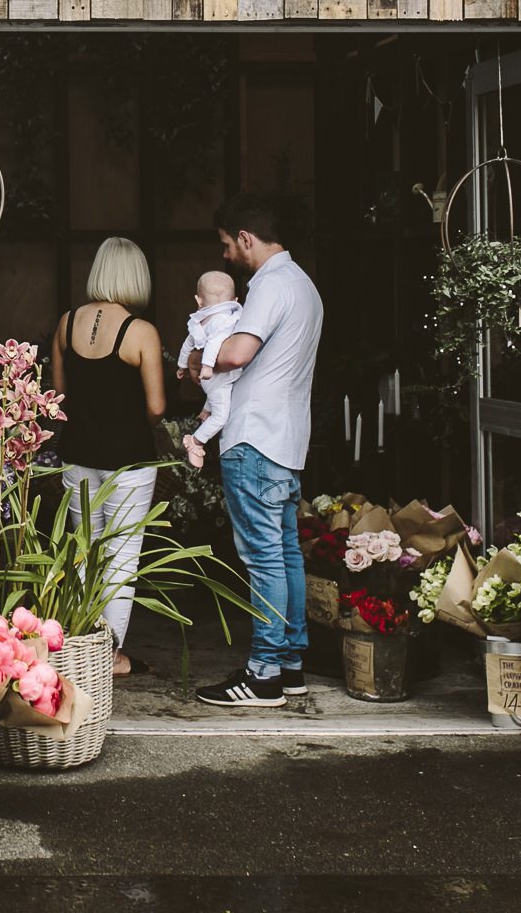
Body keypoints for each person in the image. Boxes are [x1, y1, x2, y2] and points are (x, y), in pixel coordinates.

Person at [190, 194, 324, 709]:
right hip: (287, 439)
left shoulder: (269, 285)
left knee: (264, 558)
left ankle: (264, 673)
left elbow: (238, 352)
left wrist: (198, 356)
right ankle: (289, 666)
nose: (226, 256)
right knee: (285, 554)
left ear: (246, 238)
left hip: (254, 438)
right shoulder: (305, 286)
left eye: (227, 245)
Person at [50, 237, 169, 678]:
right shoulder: (141, 332)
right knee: (122, 558)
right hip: (128, 461)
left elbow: (58, 397)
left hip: (77, 456)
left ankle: (78, 646)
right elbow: (156, 407)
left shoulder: (66, 323)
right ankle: (110, 656)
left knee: (87, 554)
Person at [174, 270, 242, 470]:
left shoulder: (199, 322)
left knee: (220, 391)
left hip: (211, 380)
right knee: (221, 416)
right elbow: (213, 343)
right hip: (213, 374)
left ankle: (206, 410)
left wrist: (181, 365)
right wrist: (207, 365)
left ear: (199, 300)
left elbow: (187, 345)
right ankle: (196, 441)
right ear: (235, 299)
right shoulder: (226, 320)